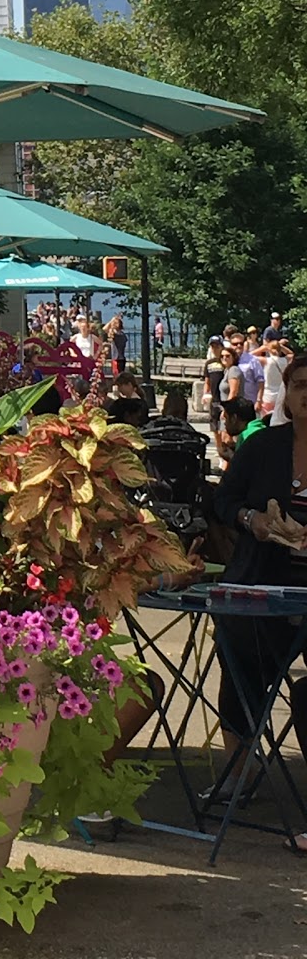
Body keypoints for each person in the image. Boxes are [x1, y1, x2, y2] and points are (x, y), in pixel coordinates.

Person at [212, 352, 307, 834]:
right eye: (299, 384)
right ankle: (239, 770)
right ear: (286, 393)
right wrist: (253, 521)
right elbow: (223, 500)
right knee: (236, 646)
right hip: (260, 576)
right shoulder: (261, 445)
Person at [202, 336, 227, 427]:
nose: (215, 349)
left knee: (224, 427)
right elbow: (207, 381)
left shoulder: (226, 361)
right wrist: (205, 393)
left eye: (217, 346)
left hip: (224, 399)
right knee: (214, 427)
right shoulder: (209, 363)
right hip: (214, 399)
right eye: (213, 347)